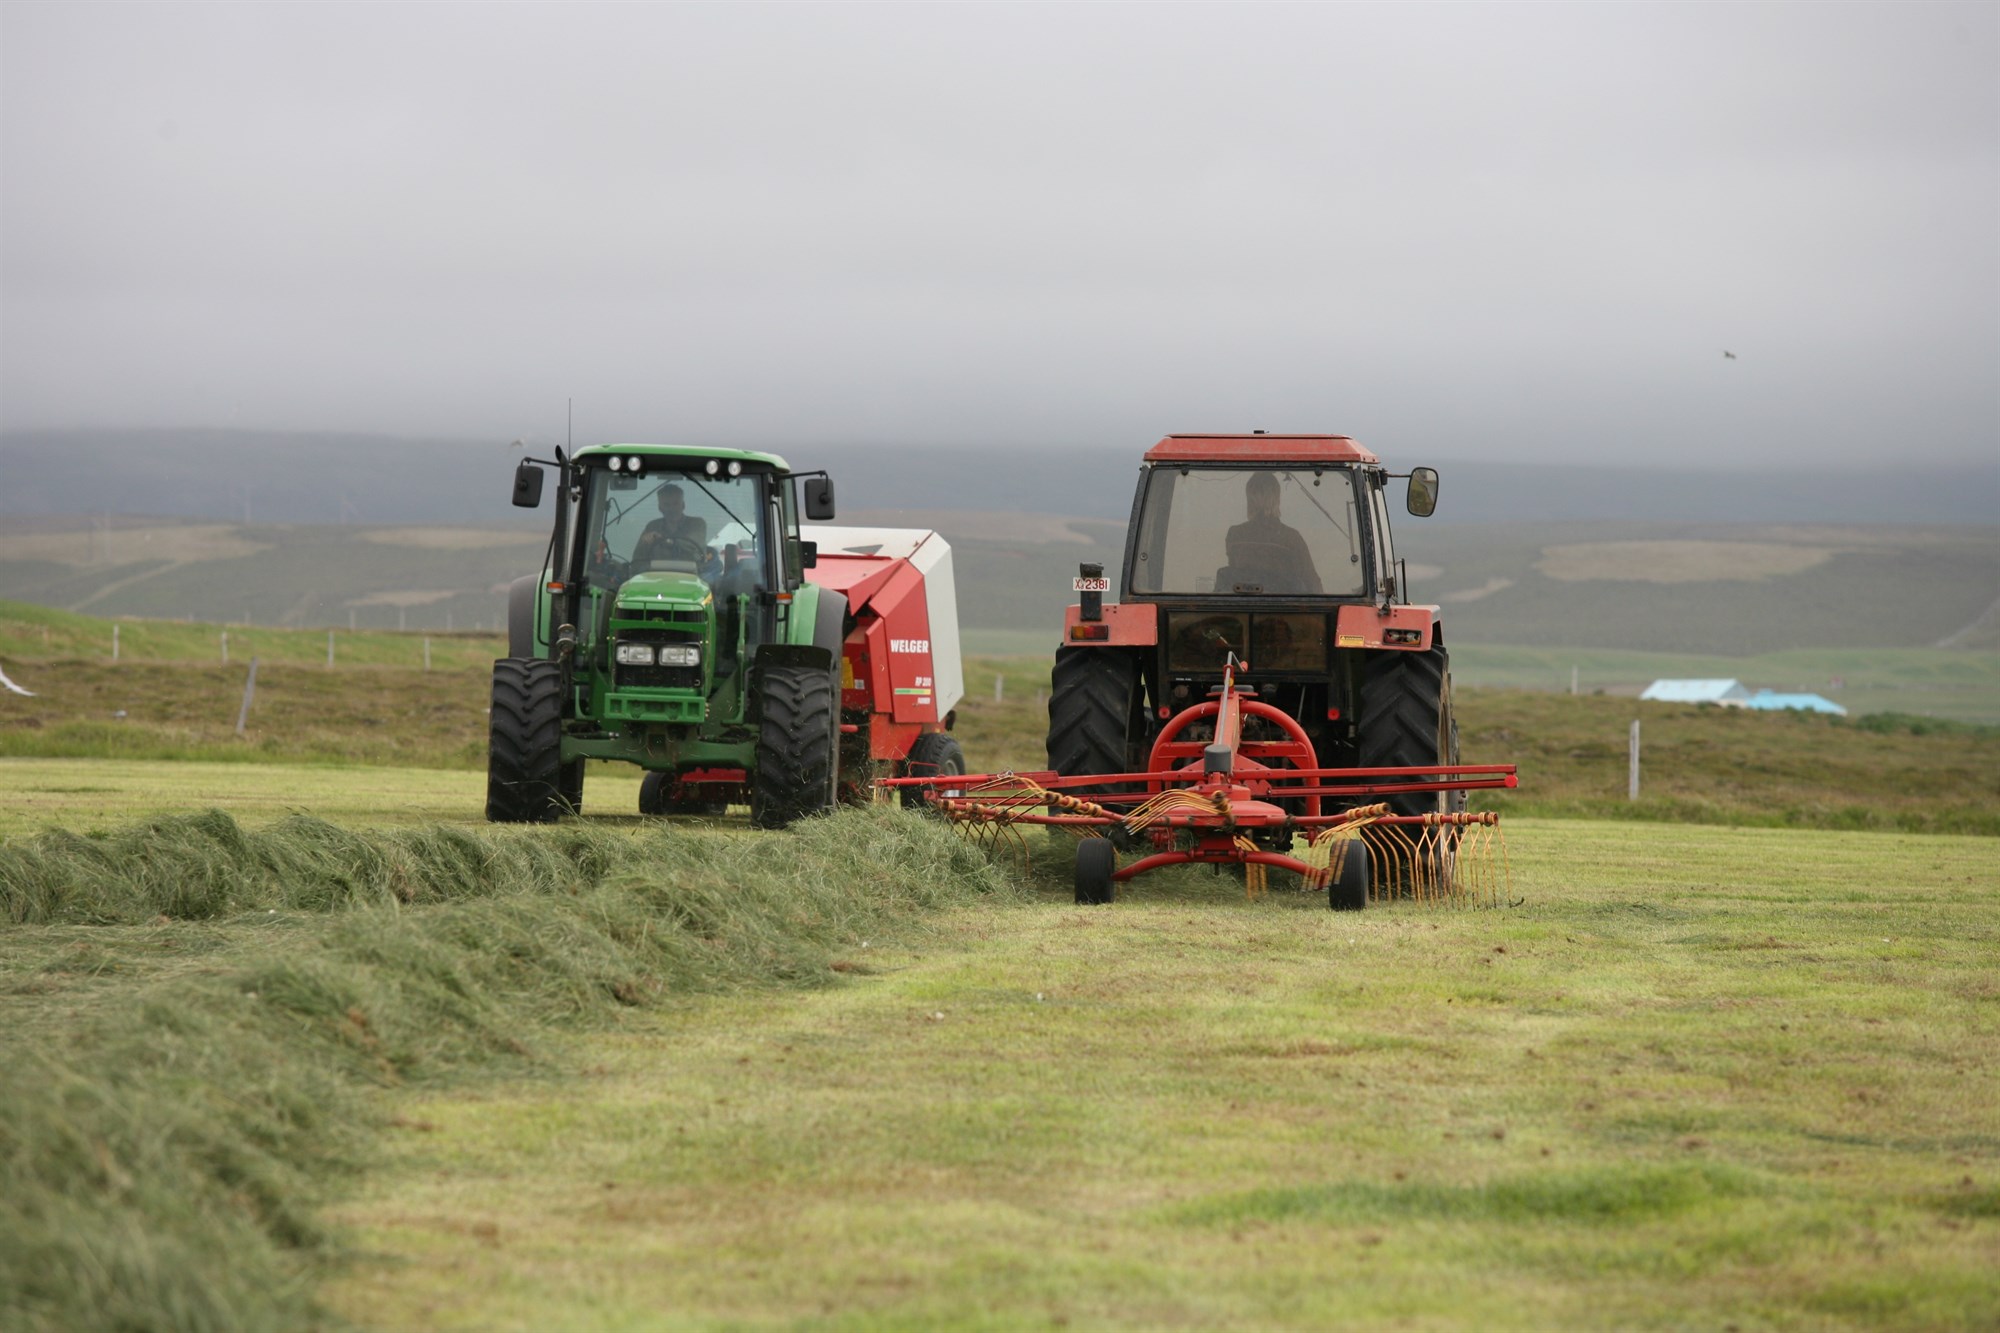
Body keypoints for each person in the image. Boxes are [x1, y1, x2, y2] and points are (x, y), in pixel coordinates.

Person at [1222, 472, 1321, 594]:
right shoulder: (1291, 537)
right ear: (1277, 499)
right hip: (1284, 610)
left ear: (1249, 500)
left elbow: (1235, 576)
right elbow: (1312, 583)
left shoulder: (1235, 535)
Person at [632, 484, 711, 569]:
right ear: (660, 508)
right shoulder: (652, 526)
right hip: (657, 577)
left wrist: (663, 540)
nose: (672, 509)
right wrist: (645, 543)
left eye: (675, 503)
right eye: (666, 505)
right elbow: (637, 560)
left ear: (683, 505)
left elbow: (692, 545)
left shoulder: (697, 524)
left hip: (693, 577)